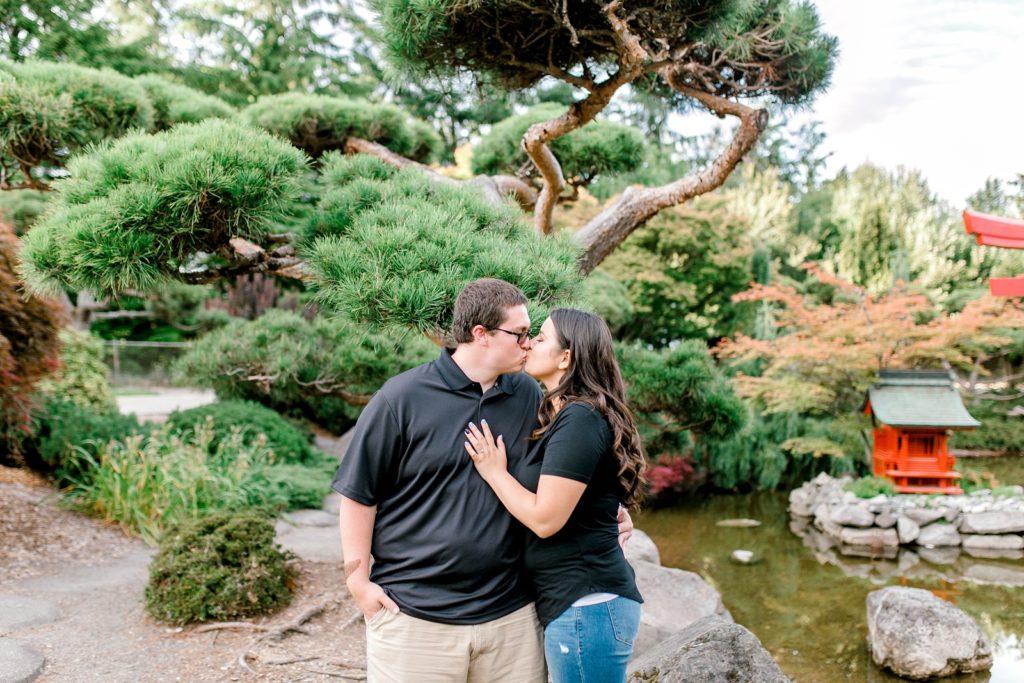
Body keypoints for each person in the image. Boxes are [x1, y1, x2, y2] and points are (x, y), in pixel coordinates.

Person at [332, 278, 632, 682]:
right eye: (521, 334)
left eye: (533, 336)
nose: (528, 344)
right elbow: (358, 495)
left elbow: (572, 464)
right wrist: (358, 583)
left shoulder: (532, 397)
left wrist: (610, 509)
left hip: (511, 618)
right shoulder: (401, 398)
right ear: (481, 335)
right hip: (416, 618)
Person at [464, 307, 646, 683]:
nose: (528, 344)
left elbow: (546, 520)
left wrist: (495, 473)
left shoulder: (580, 418)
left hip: (587, 604)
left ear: (566, 357)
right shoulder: (563, 415)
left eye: (541, 338)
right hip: (575, 605)